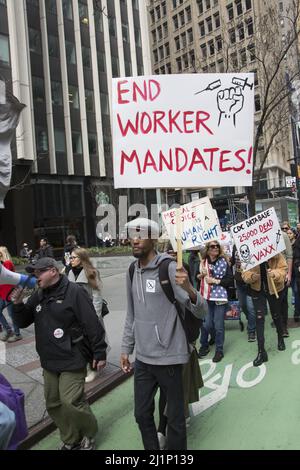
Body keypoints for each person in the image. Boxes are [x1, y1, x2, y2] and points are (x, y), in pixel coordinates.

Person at [120, 218, 207, 450]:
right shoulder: (131, 271)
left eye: (140, 234)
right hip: (143, 360)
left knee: (176, 420)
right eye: (132, 234)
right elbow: (131, 314)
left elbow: (201, 309)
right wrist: (125, 349)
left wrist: (188, 287)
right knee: (141, 415)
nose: (135, 239)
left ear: (154, 238)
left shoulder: (168, 267)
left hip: (170, 357)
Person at [12, 257, 107, 450]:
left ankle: (89, 433)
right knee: (53, 403)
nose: (35, 277)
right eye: (33, 273)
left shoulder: (75, 292)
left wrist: (100, 352)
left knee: (71, 401)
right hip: (49, 359)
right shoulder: (39, 295)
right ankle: (71, 439)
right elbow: (23, 322)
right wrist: (18, 304)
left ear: (53, 271)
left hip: (72, 356)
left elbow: (92, 324)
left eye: (39, 272)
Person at [68, 247, 107, 383]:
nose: (71, 260)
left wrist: (94, 317)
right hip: (75, 314)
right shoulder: (69, 272)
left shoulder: (91, 273)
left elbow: (97, 296)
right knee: (80, 342)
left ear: (82, 259)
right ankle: (87, 366)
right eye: (70, 257)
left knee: (93, 341)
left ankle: (93, 369)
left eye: (74, 257)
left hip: (90, 313)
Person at [242, 254, 287, 367]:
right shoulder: (249, 253)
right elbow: (244, 273)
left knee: (276, 315)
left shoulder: (275, 253)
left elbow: (283, 270)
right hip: (257, 290)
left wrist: (275, 274)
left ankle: (280, 338)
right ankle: (261, 352)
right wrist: (252, 277)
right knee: (259, 319)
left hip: (274, 289)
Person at [198, 240, 233, 362]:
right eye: (212, 246)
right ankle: (209, 341)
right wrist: (200, 276)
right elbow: (198, 280)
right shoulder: (203, 262)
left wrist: (216, 281)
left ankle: (219, 350)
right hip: (206, 297)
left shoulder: (223, 261)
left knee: (218, 325)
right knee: (207, 324)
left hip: (220, 297)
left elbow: (229, 280)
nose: (215, 248)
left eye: (217, 246)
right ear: (207, 249)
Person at [231, 245, 256, 342]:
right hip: (239, 282)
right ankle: (251, 320)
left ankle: (251, 330)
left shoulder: (252, 242)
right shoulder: (234, 246)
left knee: (251, 307)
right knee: (243, 305)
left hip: (250, 282)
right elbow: (232, 261)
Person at [0, 246, 23, 342]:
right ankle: (8, 329)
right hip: (2, 293)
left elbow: (4, 276)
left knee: (11, 314)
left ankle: (17, 334)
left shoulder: (7, 263)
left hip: (9, 293)